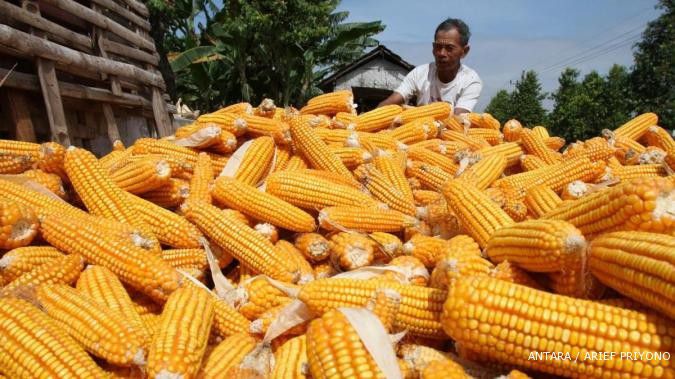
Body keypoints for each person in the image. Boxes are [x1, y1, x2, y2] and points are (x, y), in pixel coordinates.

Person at [378, 18, 482, 114]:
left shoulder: (470, 80)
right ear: (433, 48)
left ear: (464, 51)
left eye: (449, 48)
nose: (441, 53)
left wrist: (417, 114)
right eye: (438, 47)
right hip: (420, 131)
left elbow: (458, 119)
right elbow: (390, 102)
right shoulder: (420, 73)